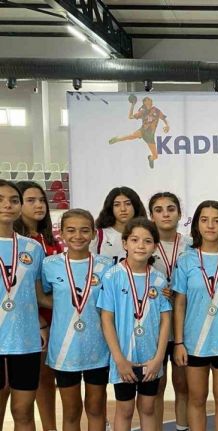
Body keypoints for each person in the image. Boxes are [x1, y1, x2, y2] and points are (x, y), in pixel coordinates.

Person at [97, 218, 171, 431]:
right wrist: (119, 359)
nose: (141, 245)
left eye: (147, 241)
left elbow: (166, 320)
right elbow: (106, 319)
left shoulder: (159, 279)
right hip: (123, 358)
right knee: (125, 409)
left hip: (151, 358)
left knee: (148, 407)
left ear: (155, 246)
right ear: (124, 243)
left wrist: (158, 358)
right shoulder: (112, 276)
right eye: (135, 240)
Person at [42, 209, 113, 431]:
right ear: (61, 233)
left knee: (96, 407)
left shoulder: (106, 266)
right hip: (65, 349)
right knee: (71, 410)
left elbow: (113, 303)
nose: (78, 236)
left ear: (93, 234)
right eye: (71, 230)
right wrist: (66, 305)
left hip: (98, 348)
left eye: (84, 230)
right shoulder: (50, 264)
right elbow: (41, 297)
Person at [173, 200, 218, 431]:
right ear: (196, 226)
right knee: (196, 398)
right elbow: (179, 303)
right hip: (194, 342)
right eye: (204, 220)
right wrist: (179, 342)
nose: (210, 225)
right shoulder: (186, 260)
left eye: (216, 220)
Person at [0, 179, 52, 431]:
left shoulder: (33, 247)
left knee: (23, 411)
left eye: (13, 200)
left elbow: (39, 295)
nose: (7, 205)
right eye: (0, 200)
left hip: (25, 341)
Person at [14, 180, 62, 431]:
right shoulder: (16, 243)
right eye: (31, 200)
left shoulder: (51, 240)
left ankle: (50, 427)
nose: (39, 205)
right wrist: (40, 321)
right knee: (31, 381)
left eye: (42, 200)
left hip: (56, 314)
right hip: (30, 320)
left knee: (47, 377)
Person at [147, 192, 190, 431]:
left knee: (183, 384)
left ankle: (183, 427)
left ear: (179, 214)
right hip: (155, 325)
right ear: (151, 215)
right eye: (159, 209)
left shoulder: (192, 244)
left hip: (185, 324)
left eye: (171, 209)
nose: (165, 214)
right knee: (157, 385)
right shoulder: (144, 243)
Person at [108, 96, 170, 169]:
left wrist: (167, 125)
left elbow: (164, 118)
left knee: (155, 156)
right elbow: (130, 117)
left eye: (150, 99)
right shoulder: (142, 111)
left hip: (150, 136)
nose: (150, 100)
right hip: (143, 131)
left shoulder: (157, 111)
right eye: (148, 100)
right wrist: (133, 105)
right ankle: (117, 139)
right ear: (145, 102)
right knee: (130, 136)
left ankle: (150, 158)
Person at [92, 186, 147, 265]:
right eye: (117, 205)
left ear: (135, 206)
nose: (123, 209)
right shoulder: (99, 235)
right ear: (110, 208)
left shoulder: (147, 235)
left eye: (128, 204)